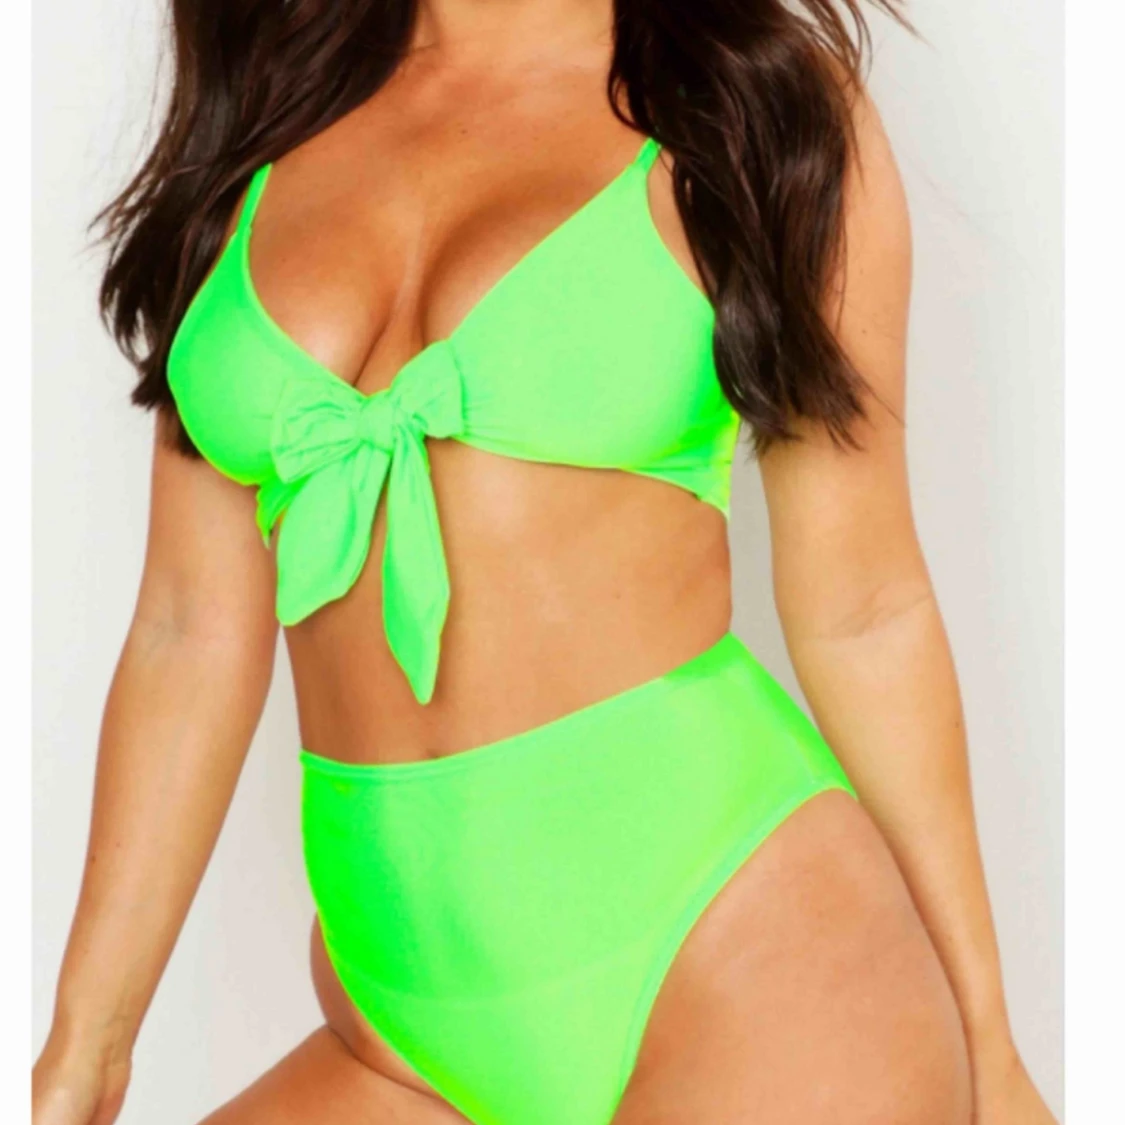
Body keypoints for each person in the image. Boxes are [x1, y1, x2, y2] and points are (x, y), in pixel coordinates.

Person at [33, 1, 1056, 1122]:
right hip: (399, 1029)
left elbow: (865, 609)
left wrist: (989, 1049)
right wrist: (85, 1044)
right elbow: (187, 630)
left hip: (741, 964)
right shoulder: (264, 120)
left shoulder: (746, 104)